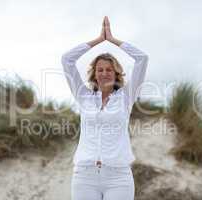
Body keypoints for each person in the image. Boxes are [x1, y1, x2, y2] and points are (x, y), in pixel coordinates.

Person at [61, 16, 148, 200]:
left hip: (118, 177)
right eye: (100, 69)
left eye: (109, 69)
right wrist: (98, 41)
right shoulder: (84, 96)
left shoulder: (126, 97)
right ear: (94, 74)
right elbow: (67, 59)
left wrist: (113, 40)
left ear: (116, 73)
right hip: (85, 176)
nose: (104, 73)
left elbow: (142, 58)